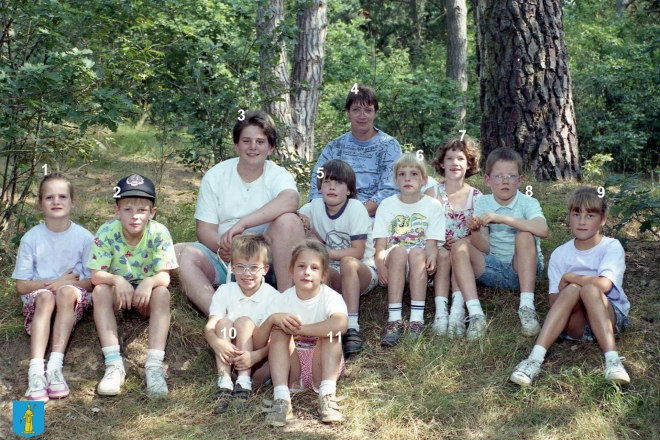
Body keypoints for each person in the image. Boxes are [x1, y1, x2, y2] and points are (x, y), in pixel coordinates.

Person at [175, 110, 304, 315]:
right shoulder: (216, 176)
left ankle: (286, 308)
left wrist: (242, 225)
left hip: (268, 259)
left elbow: (291, 199)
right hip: (225, 258)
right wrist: (224, 246)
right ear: (236, 145)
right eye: (246, 141)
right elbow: (204, 229)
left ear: (270, 148)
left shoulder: (278, 175)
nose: (253, 147)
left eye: (260, 142)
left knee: (290, 221)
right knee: (180, 253)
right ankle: (222, 316)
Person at [510, 187, 631, 386]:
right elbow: (554, 302)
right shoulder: (560, 253)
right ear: (570, 217)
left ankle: (613, 361)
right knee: (573, 289)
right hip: (575, 325)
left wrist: (570, 277)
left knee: (590, 289)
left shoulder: (611, 246)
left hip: (608, 318)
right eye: (576, 214)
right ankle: (534, 360)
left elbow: (605, 284)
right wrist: (572, 288)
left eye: (590, 215)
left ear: (603, 219)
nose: (582, 221)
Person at [88, 174, 178, 398]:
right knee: (100, 291)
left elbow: (164, 277)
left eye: (142, 210)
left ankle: (154, 366)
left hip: (144, 297)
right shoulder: (107, 231)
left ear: (152, 213)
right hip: (119, 295)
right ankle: (114, 364)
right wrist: (116, 280)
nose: (135, 216)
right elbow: (96, 275)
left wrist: (149, 281)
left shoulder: (159, 232)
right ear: (117, 211)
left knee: (162, 294)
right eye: (127, 209)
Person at [450, 148, 548, 339]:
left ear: (520, 180)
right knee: (459, 245)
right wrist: (476, 230)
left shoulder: (528, 202)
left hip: (523, 269)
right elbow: (483, 248)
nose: (505, 181)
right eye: (499, 176)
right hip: (493, 268)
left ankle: (527, 306)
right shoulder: (482, 202)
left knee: (525, 235)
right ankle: (476, 314)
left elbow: (543, 230)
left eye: (511, 176)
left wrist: (503, 218)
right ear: (487, 180)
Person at [12, 173, 94, 403]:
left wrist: (64, 284)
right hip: (40, 298)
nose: (56, 201)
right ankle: (36, 371)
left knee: (66, 292)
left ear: (73, 202)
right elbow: (22, 285)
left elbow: (92, 282)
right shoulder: (32, 238)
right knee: (47, 298)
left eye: (62, 196)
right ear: (40, 203)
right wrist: (55, 283)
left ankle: (55, 367)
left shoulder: (85, 238)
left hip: (72, 295)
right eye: (49, 197)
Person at [255, 240, 348, 426]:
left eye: (314, 268)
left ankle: (327, 396)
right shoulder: (281, 300)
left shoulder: (330, 297)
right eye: (301, 266)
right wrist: (272, 320)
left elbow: (341, 324)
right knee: (279, 332)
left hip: (322, 364)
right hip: (291, 367)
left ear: (323, 275)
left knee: (331, 333)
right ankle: (282, 399)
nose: (307, 272)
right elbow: (258, 342)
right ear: (291, 270)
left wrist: (300, 329)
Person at [297, 159, 377, 355]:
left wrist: (323, 252)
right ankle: (316, 325)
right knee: (319, 271)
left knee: (347, 262)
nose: (332, 187)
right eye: (326, 182)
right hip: (332, 271)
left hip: (362, 271)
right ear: (320, 186)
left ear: (349, 190)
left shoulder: (355, 208)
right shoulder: (313, 207)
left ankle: (352, 326)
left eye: (339, 183)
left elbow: (357, 251)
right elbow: (291, 216)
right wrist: (298, 216)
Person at [373, 153, 445, 347]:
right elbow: (380, 245)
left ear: (423, 180)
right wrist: (380, 266)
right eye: (402, 174)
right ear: (395, 180)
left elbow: (431, 243)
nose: (407, 178)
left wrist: (432, 257)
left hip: (418, 265)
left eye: (414, 174)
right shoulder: (387, 205)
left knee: (417, 252)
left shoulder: (432, 206)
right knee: (398, 251)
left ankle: (416, 320)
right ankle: (394, 320)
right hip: (394, 263)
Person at [204, 234, 279, 413]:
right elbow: (210, 325)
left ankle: (244, 385)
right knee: (222, 323)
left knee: (244, 322)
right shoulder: (224, 291)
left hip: (259, 364)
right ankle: (224, 383)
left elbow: (279, 340)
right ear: (232, 267)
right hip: (230, 360)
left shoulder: (274, 297)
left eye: (254, 267)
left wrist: (256, 356)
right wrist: (216, 341)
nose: (247, 273)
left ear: (265, 269)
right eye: (241, 267)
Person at [309, 84, 402, 216]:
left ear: (376, 113)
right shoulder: (334, 147)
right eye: (356, 109)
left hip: (374, 218)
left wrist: (354, 215)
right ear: (347, 112)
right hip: (332, 213)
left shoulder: (389, 146)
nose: (362, 116)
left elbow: (390, 191)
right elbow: (316, 184)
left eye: (368, 110)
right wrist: (329, 215)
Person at [425, 135, 482, 336]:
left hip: (464, 250)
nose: (455, 163)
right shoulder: (433, 193)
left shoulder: (477, 197)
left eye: (460, 159)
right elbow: (425, 226)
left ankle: (457, 312)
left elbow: (481, 235)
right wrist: (440, 240)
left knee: (459, 254)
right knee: (442, 254)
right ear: (442, 163)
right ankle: (441, 313)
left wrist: (463, 240)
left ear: (469, 164)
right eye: (449, 158)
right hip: (438, 250)